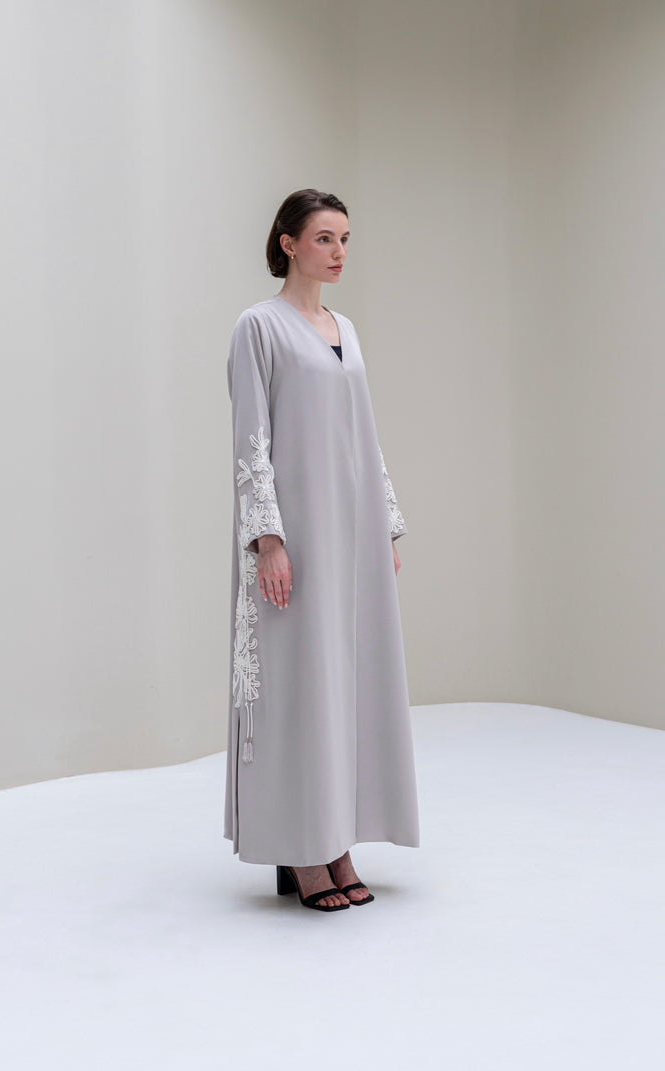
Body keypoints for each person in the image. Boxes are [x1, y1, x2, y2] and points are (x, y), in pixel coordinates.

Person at [225, 188, 420, 912]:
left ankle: (337, 839)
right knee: (299, 685)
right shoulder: (258, 327)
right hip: (297, 534)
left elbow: (362, 432)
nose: (338, 252)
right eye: (324, 238)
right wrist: (268, 540)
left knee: (347, 684)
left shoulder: (346, 328)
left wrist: (383, 523)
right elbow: (251, 437)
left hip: (352, 534)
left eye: (345, 240)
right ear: (288, 244)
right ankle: (301, 848)